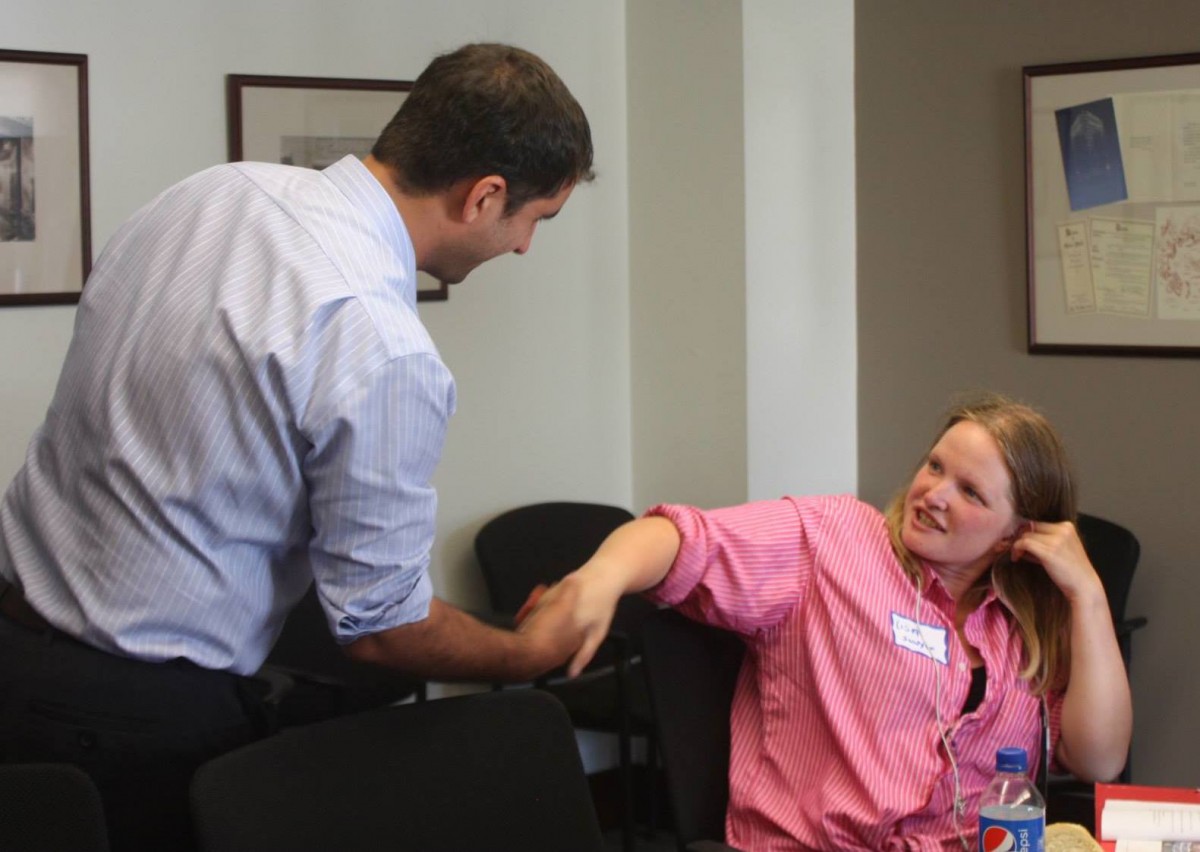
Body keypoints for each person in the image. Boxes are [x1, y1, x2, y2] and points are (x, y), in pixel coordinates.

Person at [0, 43, 592, 851]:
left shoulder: (211, 192)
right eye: (534, 220)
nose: (523, 247)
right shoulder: (382, 344)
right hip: (134, 719)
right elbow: (379, 625)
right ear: (484, 196)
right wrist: (525, 652)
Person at [539, 393, 1132, 851]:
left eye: (971, 492)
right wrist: (600, 578)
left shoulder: (1016, 626)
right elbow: (682, 539)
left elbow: (1099, 759)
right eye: (934, 466)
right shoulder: (835, 543)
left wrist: (1089, 595)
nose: (933, 494)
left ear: (1017, 534)